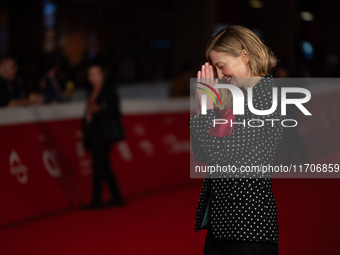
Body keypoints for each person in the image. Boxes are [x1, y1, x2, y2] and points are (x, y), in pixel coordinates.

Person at [189, 25, 284, 255]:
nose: (220, 76)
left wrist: (206, 110)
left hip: (249, 226)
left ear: (244, 54)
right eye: (216, 69)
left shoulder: (268, 96)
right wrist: (205, 109)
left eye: (221, 66)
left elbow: (226, 157)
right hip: (222, 224)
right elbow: (204, 155)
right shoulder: (235, 98)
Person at [82, 63, 125, 209]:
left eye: (95, 73)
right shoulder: (91, 91)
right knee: (104, 166)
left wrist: (99, 109)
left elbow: (115, 111)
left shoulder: (108, 90)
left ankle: (97, 200)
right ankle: (117, 197)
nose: (92, 77)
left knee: (98, 166)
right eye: (90, 74)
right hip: (94, 133)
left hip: (104, 134)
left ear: (102, 75)